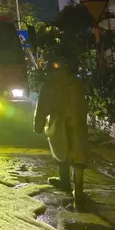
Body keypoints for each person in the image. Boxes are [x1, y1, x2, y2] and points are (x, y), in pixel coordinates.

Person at [34, 55, 89, 200]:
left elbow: (42, 106)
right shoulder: (77, 82)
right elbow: (84, 103)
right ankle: (78, 189)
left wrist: (38, 125)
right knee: (78, 152)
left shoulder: (50, 84)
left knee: (60, 152)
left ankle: (64, 181)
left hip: (58, 121)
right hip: (78, 122)